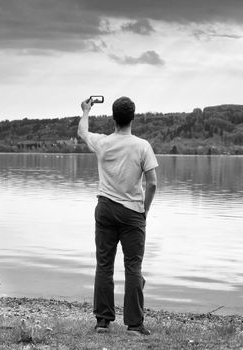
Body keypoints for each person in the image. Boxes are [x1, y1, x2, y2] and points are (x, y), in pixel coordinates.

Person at [78, 96, 158, 336]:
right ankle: (134, 325)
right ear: (133, 118)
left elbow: (83, 132)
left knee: (104, 264)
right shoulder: (142, 146)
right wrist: (145, 210)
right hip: (132, 212)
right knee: (133, 266)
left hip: (105, 209)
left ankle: (102, 321)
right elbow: (152, 183)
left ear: (113, 118)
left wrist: (85, 111)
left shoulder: (103, 143)